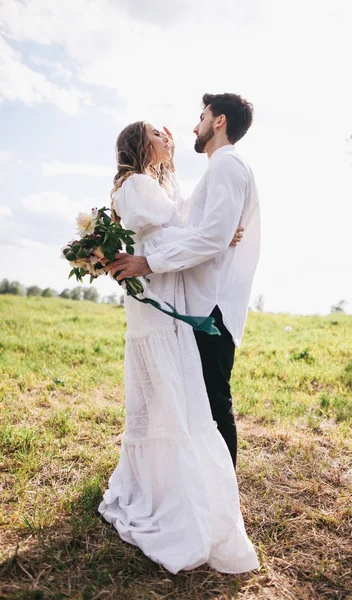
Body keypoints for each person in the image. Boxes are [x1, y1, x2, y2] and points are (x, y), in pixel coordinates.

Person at [98, 116, 259, 575]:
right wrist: (216, 234)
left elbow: (181, 221)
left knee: (175, 391)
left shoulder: (152, 186)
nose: (166, 135)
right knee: (170, 389)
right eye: (155, 133)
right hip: (158, 297)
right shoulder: (134, 185)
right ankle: (170, 492)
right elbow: (173, 231)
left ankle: (175, 486)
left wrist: (217, 231)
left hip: (164, 290)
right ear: (136, 144)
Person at [106, 93, 261, 468]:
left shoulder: (226, 166)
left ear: (219, 121)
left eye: (202, 116)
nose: (195, 125)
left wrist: (150, 261)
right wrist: (218, 233)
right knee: (201, 400)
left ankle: (221, 492)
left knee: (212, 401)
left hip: (212, 304)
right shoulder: (219, 168)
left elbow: (207, 235)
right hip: (199, 300)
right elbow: (197, 225)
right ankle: (208, 483)